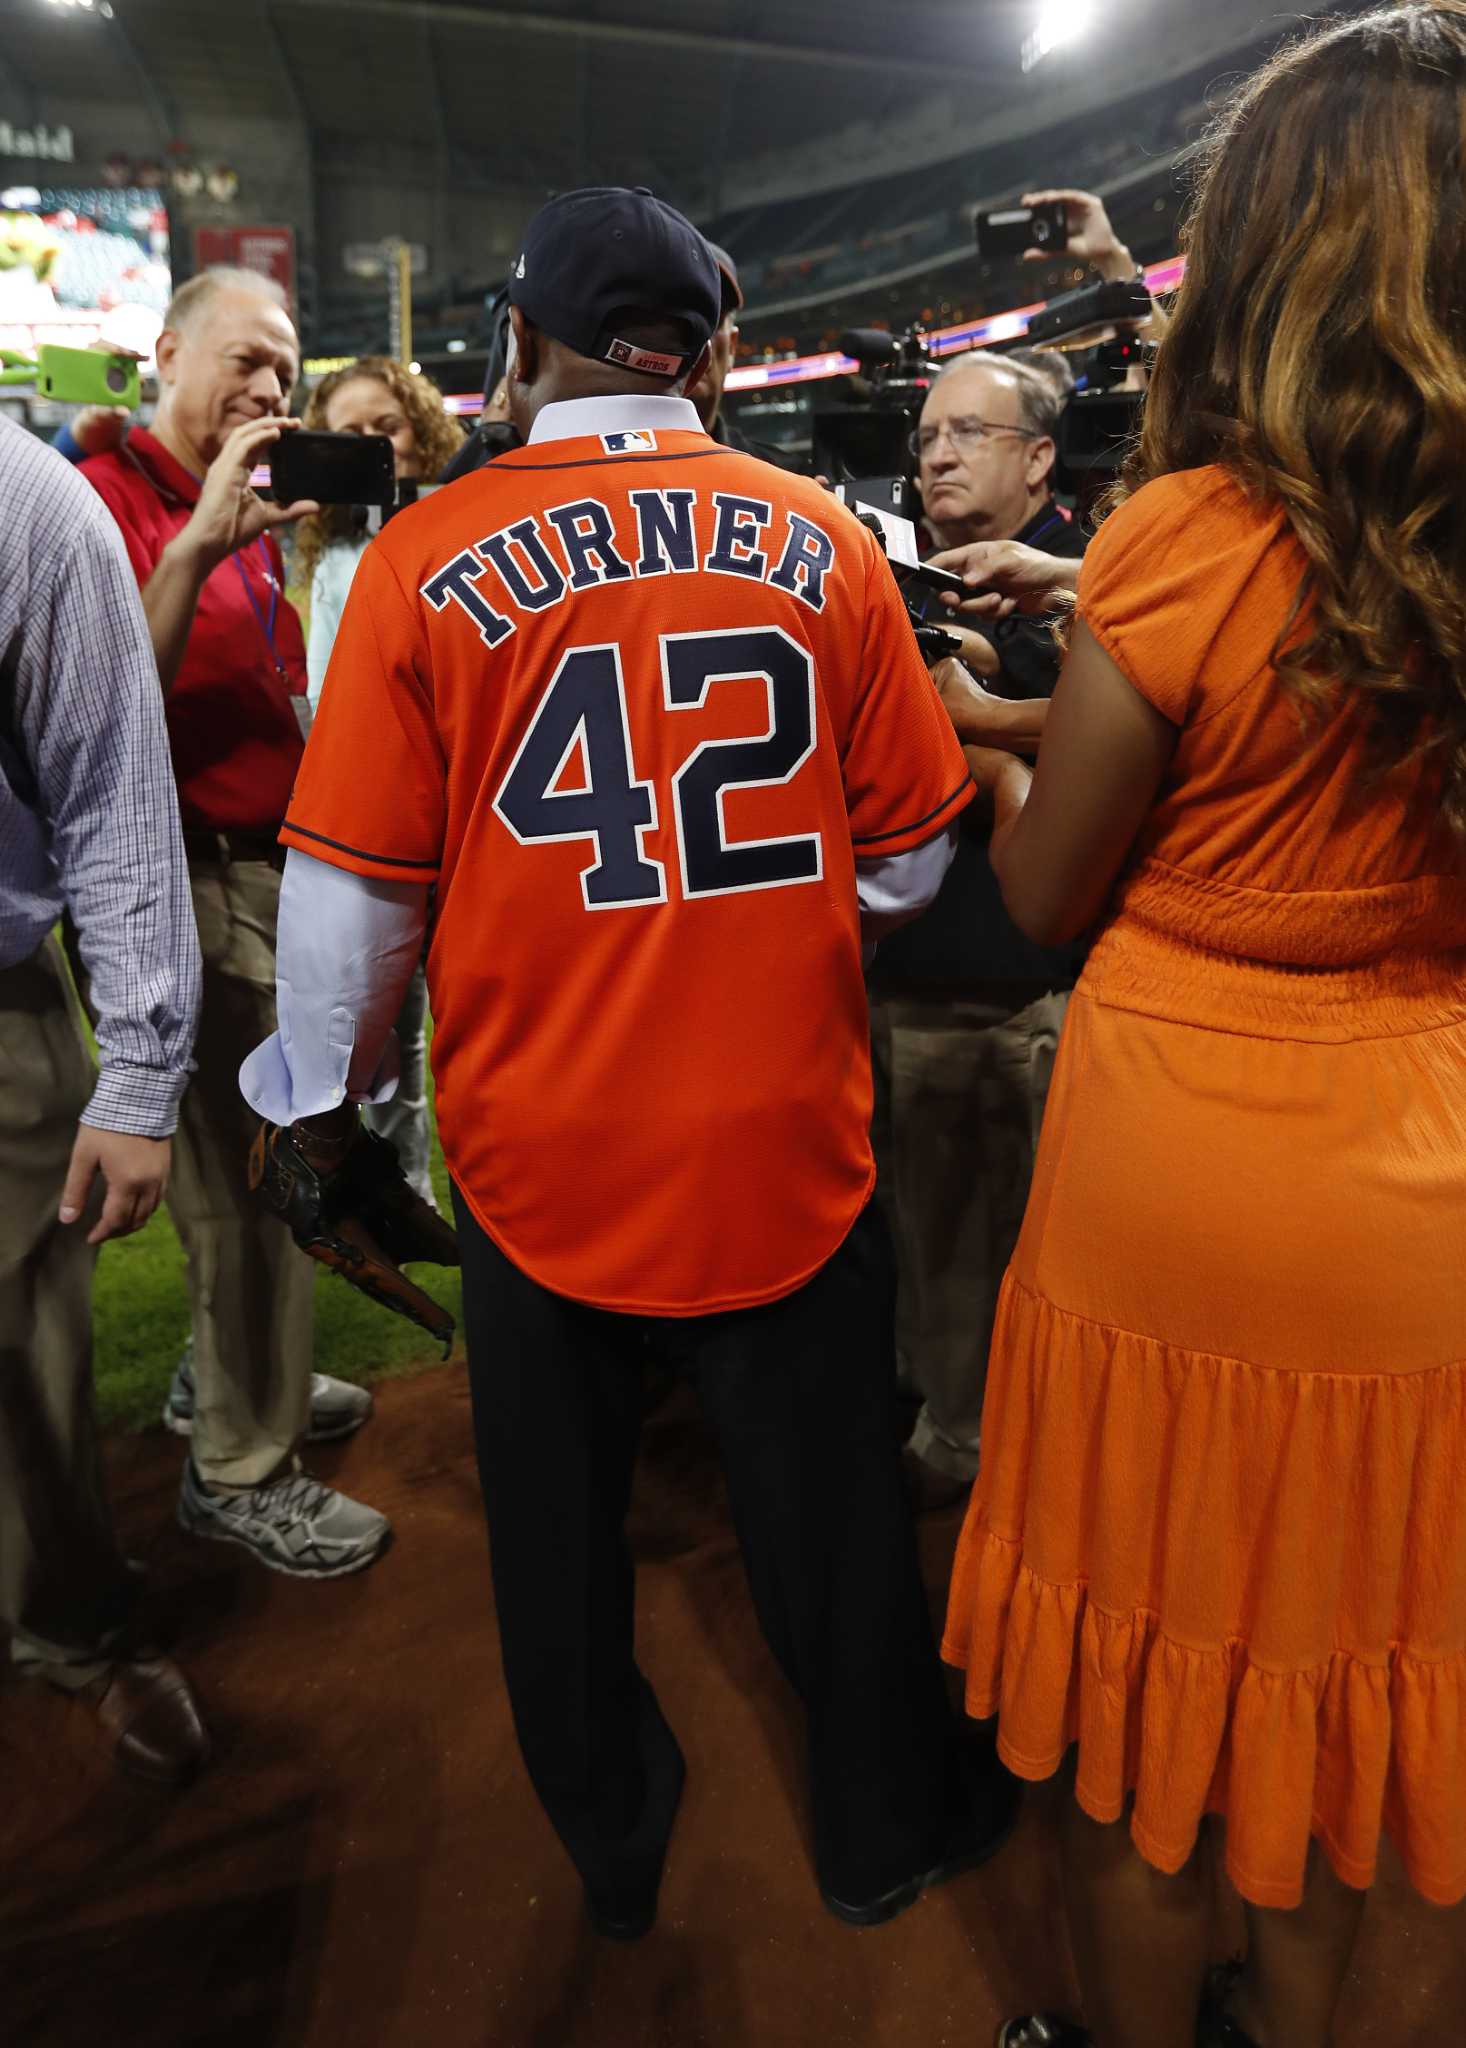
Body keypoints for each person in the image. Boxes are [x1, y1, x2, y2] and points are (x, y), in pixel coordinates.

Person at [240, 184, 1018, 1939]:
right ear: (719, 354)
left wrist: (320, 1101)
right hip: (783, 1135)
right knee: (828, 1524)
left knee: (557, 1541)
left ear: (517, 345)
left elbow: (352, 899)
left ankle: (611, 1833)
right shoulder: (819, 533)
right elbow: (903, 859)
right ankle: (880, 1827)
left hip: (539, 1144)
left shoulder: (430, 555)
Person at [939, 8, 1466, 2044]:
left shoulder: (1177, 532)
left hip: (1175, 1170)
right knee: (1325, 1745)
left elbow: (1047, 892)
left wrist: (994, 762)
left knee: (1141, 1739)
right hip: (1414, 1187)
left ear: (1266, 242)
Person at [79, 266, 389, 1578]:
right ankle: (241, 1468)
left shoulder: (262, 506)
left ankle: (236, 1381)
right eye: (246, 359)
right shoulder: (104, 503)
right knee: (248, 1187)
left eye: (285, 367)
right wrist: (199, 543)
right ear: (166, 350)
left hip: (274, 872)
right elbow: (96, 716)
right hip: (186, 881)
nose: (268, 389)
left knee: (278, 1166)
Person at [0, 413, 208, 1782]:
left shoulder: (27, 502)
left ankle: (75, 1627)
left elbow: (114, 796)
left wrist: (139, 1073)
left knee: (28, 1372)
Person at [869, 349, 1087, 1510]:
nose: (936, 453)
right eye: (925, 436)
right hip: (896, 976)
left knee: (979, 1266)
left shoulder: (1092, 572)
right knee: (921, 1249)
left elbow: (1110, 736)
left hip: (999, 986)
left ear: (1037, 455)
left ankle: (974, 1488)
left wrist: (988, 726)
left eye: (968, 432)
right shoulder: (906, 566)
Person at [291, 356, 463, 1207]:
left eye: (386, 428)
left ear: (421, 430)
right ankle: (405, 1185)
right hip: (378, 817)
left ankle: (471, 1175)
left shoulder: (455, 520)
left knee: (468, 1004)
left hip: (462, 818)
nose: (371, 448)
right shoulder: (328, 550)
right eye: (349, 435)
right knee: (387, 1015)